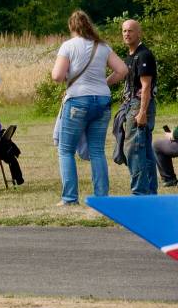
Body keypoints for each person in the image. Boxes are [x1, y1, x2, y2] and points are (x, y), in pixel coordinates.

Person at [51, 11, 128, 206]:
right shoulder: (102, 46)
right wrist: (104, 83)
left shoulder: (68, 46)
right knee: (97, 150)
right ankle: (102, 197)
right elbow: (122, 70)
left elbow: (57, 76)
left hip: (77, 100)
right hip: (102, 100)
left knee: (66, 150)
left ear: (72, 27)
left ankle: (69, 198)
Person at [120, 19, 158, 195]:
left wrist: (142, 112)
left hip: (140, 105)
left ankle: (139, 193)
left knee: (133, 149)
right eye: (124, 31)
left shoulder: (143, 55)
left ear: (139, 33)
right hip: (132, 105)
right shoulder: (130, 55)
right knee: (145, 152)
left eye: (131, 31)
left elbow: (146, 87)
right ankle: (150, 193)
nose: (127, 34)